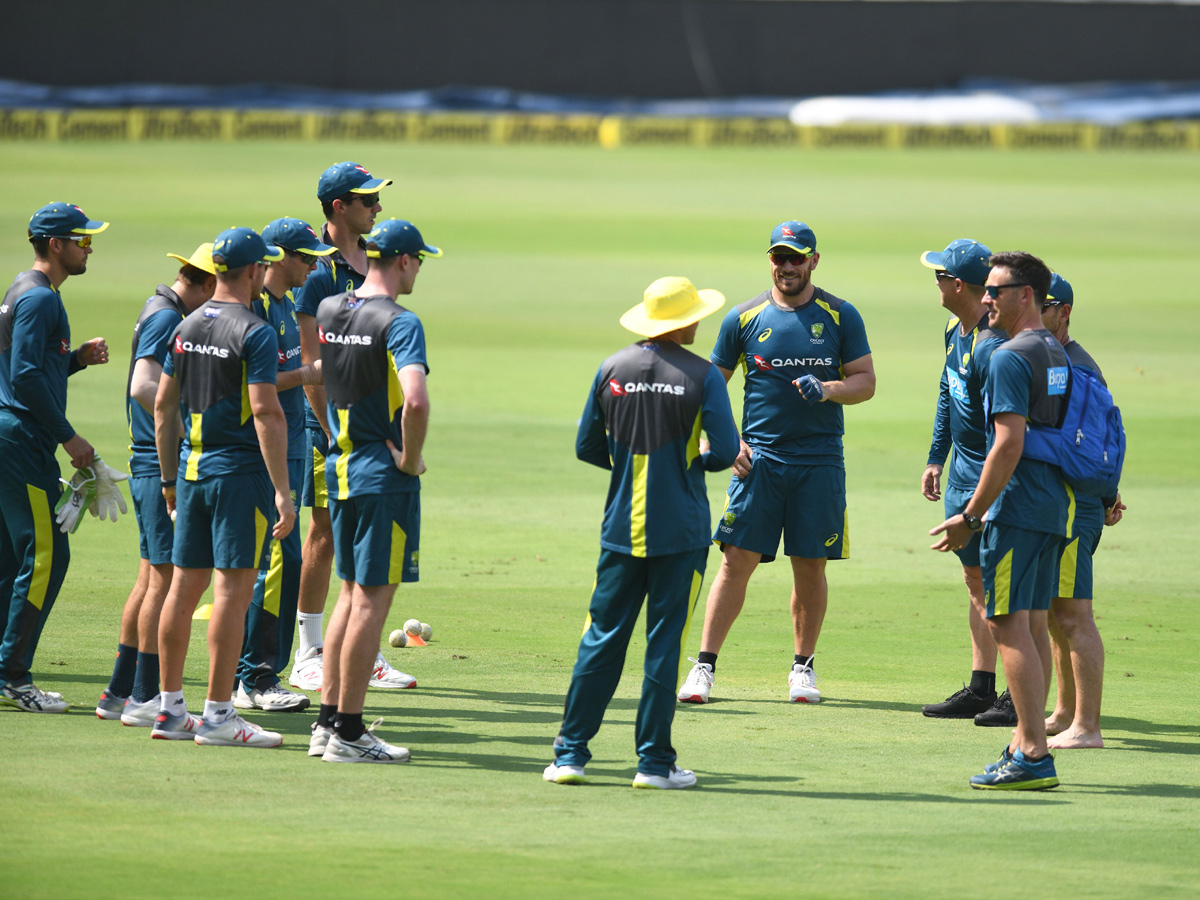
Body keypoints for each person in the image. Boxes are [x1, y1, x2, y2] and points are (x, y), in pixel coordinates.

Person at [544, 277, 738, 789]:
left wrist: (634, 463)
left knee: (601, 640)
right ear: (682, 322)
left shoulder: (613, 367)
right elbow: (723, 452)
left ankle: (569, 756)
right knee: (664, 645)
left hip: (621, 530)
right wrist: (686, 462)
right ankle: (653, 764)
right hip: (682, 532)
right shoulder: (702, 376)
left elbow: (588, 445)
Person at [677, 221, 874, 705]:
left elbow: (866, 381)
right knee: (735, 561)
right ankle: (703, 668)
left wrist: (827, 388)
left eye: (796, 257)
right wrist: (728, 443)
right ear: (770, 260)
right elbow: (709, 387)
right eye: (779, 257)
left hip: (820, 461)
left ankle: (802, 670)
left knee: (810, 565)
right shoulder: (743, 318)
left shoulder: (841, 315)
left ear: (814, 261)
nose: (787, 266)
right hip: (758, 461)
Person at [151, 227, 296, 747]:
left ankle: (169, 712)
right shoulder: (255, 331)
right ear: (256, 271)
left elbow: (163, 407)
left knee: (183, 588)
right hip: (239, 477)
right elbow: (265, 411)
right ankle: (217, 717)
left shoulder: (185, 325)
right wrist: (283, 489)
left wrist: (169, 478)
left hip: (191, 474)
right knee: (232, 594)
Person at [931, 251, 1070, 790]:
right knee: (1032, 623)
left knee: (1007, 622)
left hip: (1016, 507)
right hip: (1051, 504)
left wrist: (970, 513)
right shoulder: (1053, 349)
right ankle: (1022, 742)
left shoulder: (1011, 355)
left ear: (1026, 295)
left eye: (995, 290)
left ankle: (1032, 752)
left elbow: (1007, 444)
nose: (985, 298)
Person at [309, 218, 439, 763]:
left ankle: (326, 723)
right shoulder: (402, 321)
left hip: (339, 467)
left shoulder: (330, 309)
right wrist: (409, 460)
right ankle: (350, 732)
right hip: (381, 477)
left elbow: (320, 375)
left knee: (347, 597)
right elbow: (415, 401)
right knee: (370, 603)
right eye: (420, 262)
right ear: (404, 261)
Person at [290, 161, 415, 694]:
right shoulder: (317, 272)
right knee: (323, 534)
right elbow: (313, 364)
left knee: (359, 542)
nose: (378, 207)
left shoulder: (373, 260)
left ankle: (357, 651)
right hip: (332, 428)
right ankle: (309, 653)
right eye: (368, 200)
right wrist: (331, 428)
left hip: (369, 421)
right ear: (339, 206)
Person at [95, 244, 218, 725]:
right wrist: (192, 423)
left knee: (151, 578)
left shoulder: (158, 308)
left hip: (147, 461)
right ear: (207, 283)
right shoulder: (169, 318)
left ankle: (119, 692)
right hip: (156, 461)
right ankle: (147, 696)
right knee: (164, 582)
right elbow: (145, 387)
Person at [1, 202, 112, 713]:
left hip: (12, 435)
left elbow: (26, 369)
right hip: (22, 442)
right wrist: (70, 438)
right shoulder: (41, 299)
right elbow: (23, 376)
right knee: (47, 554)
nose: (89, 248)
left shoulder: (23, 290)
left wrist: (73, 362)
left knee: (12, 557)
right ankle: (15, 676)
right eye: (82, 240)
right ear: (55, 245)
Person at [234, 218, 333, 713]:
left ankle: (251, 674)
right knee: (276, 563)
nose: (314, 266)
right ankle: (255, 677)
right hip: (265, 454)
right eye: (306, 257)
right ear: (279, 257)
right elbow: (262, 386)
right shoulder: (255, 311)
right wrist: (310, 373)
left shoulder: (283, 306)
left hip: (291, 445)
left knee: (278, 563)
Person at [917, 239, 1014, 724]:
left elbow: (1008, 433)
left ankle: (1019, 695)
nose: (933, 282)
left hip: (989, 485)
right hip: (958, 475)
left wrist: (980, 497)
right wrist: (937, 456)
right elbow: (945, 392)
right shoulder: (956, 331)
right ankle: (982, 686)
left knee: (1006, 591)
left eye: (939, 276)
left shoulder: (995, 349)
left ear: (958, 285)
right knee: (975, 582)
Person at [1039, 273, 1124, 750]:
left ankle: (1087, 726)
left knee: (1074, 614)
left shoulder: (1077, 367)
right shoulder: (1057, 360)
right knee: (1056, 610)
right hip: (1067, 503)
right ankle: (1065, 711)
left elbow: (1098, 440)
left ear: (1063, 312)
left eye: (1044, 306)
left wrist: (1105, 491)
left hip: (1074, 507)